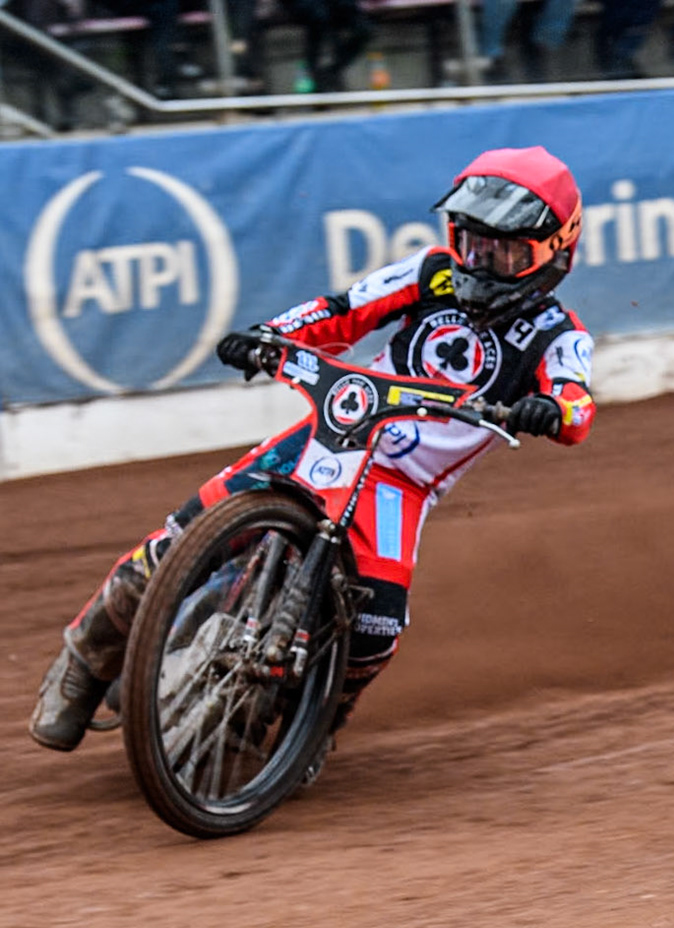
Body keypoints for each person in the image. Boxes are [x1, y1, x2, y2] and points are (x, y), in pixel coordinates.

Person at [28, 146, 596, 757]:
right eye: (473, 242)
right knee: (179, 540)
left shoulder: (559, 335)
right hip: (334, 430)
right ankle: (81, 663)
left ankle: (316, 723)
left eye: (505, 251)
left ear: (554, 252)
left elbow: (576, 403)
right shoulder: (431, 272)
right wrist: (272, 336)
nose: (481, 260)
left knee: (376, 627)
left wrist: (551, 411)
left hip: (402, 486)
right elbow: (343, 311)